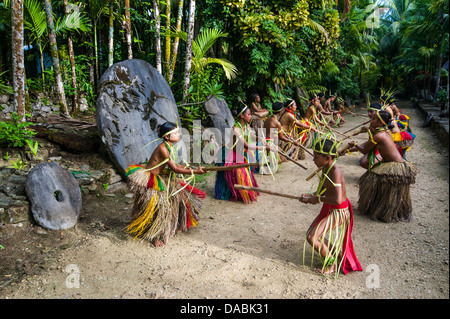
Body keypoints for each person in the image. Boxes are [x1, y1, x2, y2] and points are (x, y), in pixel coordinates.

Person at [125, 122, 206, 247]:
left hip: (161, 176)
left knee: (180, 197)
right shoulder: (163, 148)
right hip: (152, 180)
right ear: (167, 137)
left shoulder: (170, 147)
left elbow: (177, 165)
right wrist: (195, 171)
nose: (178, 135)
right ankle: (156, 236)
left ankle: (179, 224)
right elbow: (174, 169)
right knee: (162, 208)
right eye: (175, 133)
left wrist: (191, 168)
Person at [299, 136, 362, 277]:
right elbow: (323, 191)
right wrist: (310, 196)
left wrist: (318, 198)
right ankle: (338, 255)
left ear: (327, 157)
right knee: (313, 234)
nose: (314, 160)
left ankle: (330, 263)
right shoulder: (326, 168)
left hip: (339, 211)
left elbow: (338, 200)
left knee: (312, 237)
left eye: (316, 157)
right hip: (331, 208)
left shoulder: (335, 172)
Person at [341, 110, 418, 222]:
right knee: (370, 179)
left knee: (369, 180)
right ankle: (380, 209)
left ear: (380, 123)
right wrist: (347, 150)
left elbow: (364, 149)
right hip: (390, 163)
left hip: (396, 166)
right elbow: (366, 145)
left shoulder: (380, 135)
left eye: (374, 119)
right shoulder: (383, 132)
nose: (371, 121)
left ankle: (386, 211)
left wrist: (354, 145)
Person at [214, 103, 273, 203]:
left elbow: (252, 137)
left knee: (245, 172)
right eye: (249, 114)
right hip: (232, 153)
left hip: (241, 153)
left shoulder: (247, 126)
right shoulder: (236, 129)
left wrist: (261, 139)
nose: (250, 116)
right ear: (242, 115)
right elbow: (246, 145)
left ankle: (241, 192)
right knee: (235, 173)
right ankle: (234, 192)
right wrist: (264, 147)